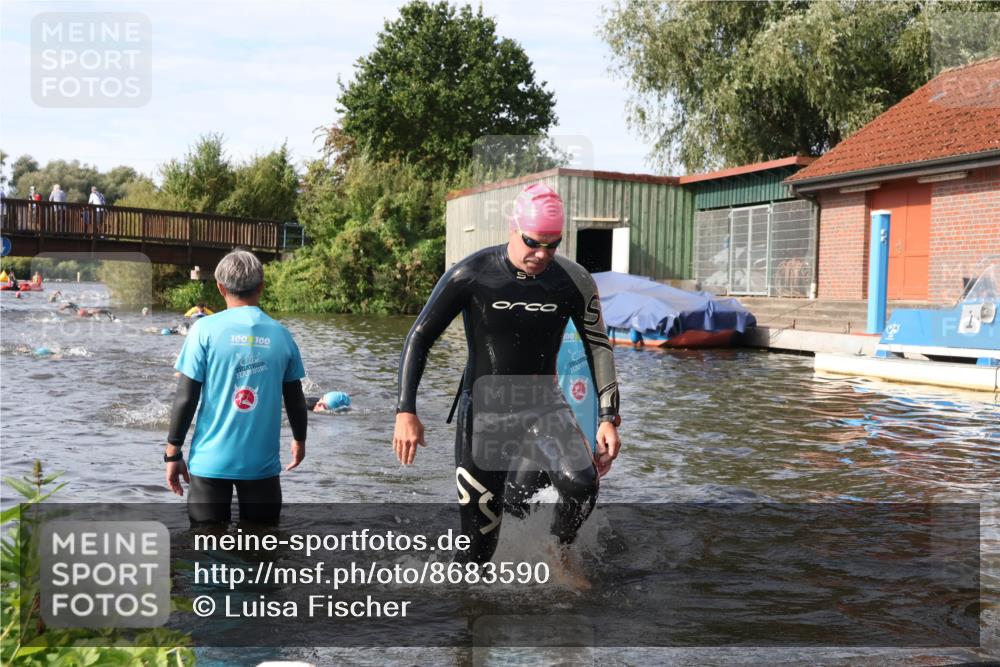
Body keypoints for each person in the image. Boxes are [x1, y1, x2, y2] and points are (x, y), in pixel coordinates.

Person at [393, 183, 621, 565]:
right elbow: (420, 337)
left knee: (581, 485)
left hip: (544, 405)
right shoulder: (472, 274)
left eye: (552, 244)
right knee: (478, 547)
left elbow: (598, 345)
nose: (542, 254)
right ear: (513, 228)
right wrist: (405, 411)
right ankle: (469, 611)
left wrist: (608, 417)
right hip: (484, 413)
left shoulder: (572, 280)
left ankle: (557, 553)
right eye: (533, 242)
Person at [164, 249, 308, 524]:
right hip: (261, 467)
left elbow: (186, 397)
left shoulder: (203, 330)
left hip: (210, 462)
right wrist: (299, 440)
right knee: (262, 552)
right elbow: (295, 399)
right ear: (261, 287)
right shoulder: (282, 335)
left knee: (205, 549)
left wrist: (172, 453)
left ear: (220, 288)